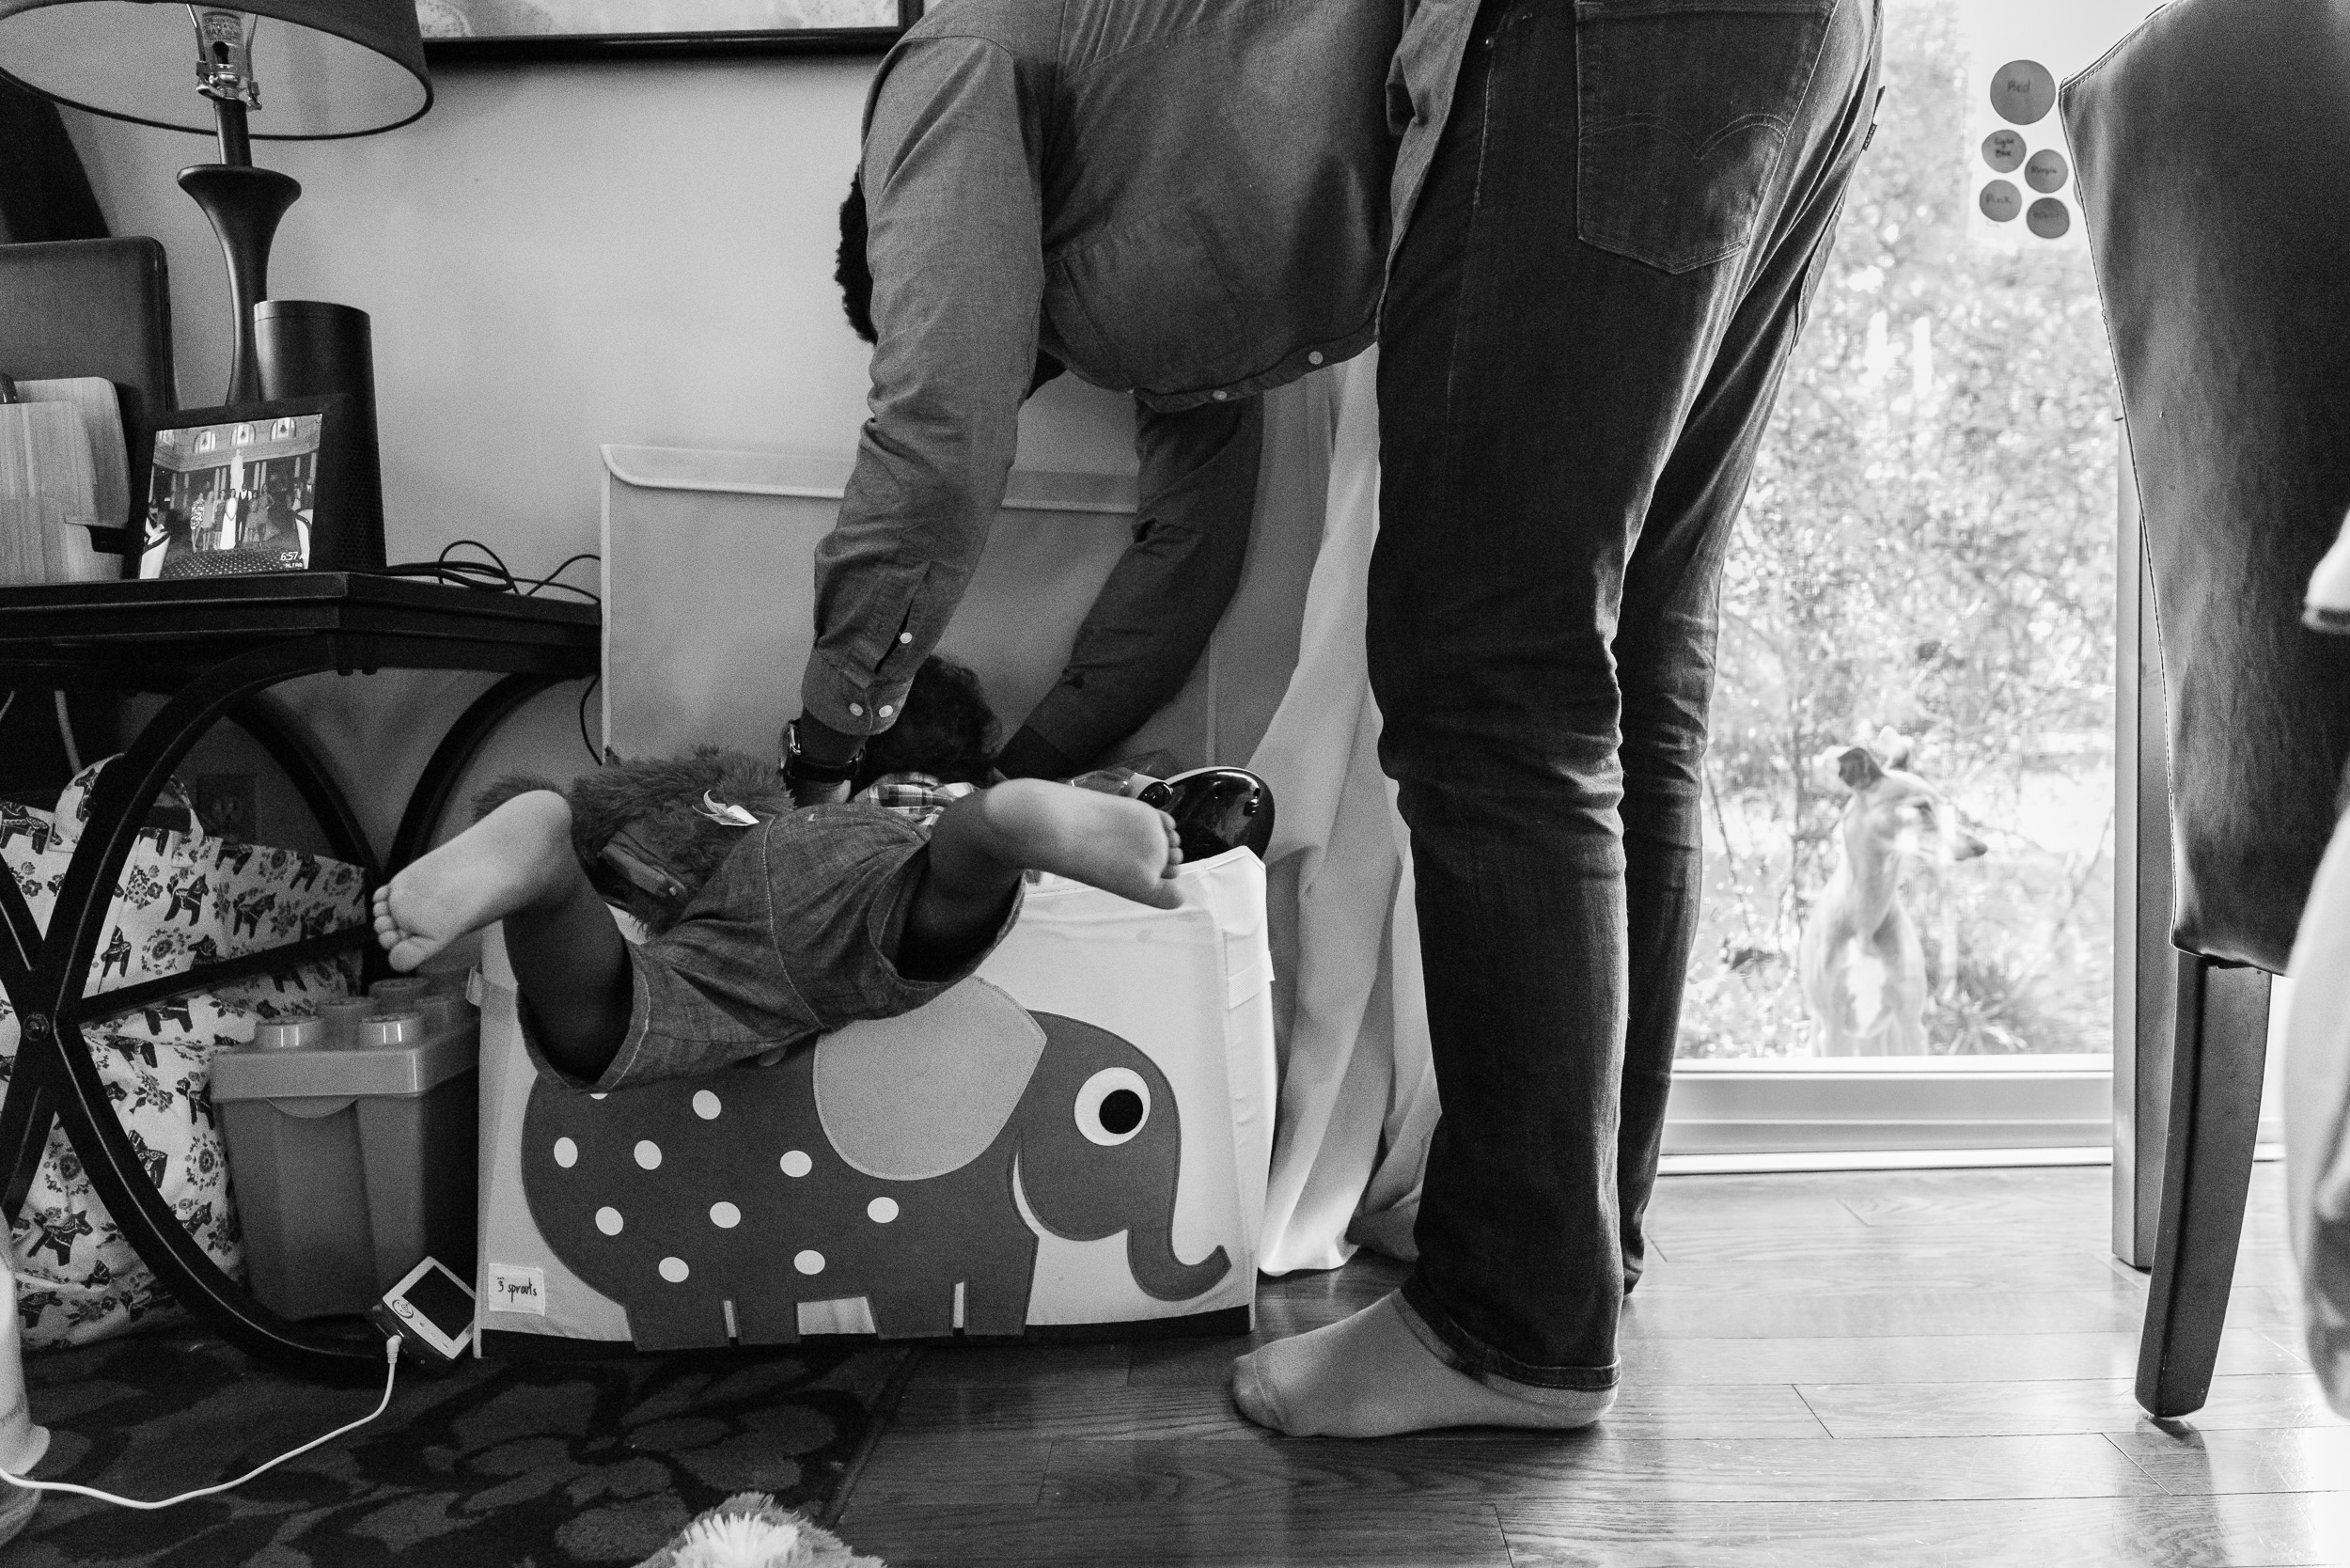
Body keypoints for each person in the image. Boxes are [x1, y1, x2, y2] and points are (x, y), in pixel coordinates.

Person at [1230, 0, 1884, 1436]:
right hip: (1797, 43)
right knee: (1632, 650)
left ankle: (1509, 1319)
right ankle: (1572, 1238)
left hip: (1618, 34)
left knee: (1494, 652)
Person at [781, 0, 1402, 799]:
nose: (1029, 378)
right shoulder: (1164, 293)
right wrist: (1018, 778)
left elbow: (943, 431)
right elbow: (1191, 547)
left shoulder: (946, 67)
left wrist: (824, 752)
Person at [370, 776, 1183, 1091]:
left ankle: (548, 876)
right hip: (868, 871)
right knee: (937, 902)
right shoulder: (918, 801)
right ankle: (1001, 827)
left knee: (619, 1014)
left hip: (761, 866)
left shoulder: (853, 789)